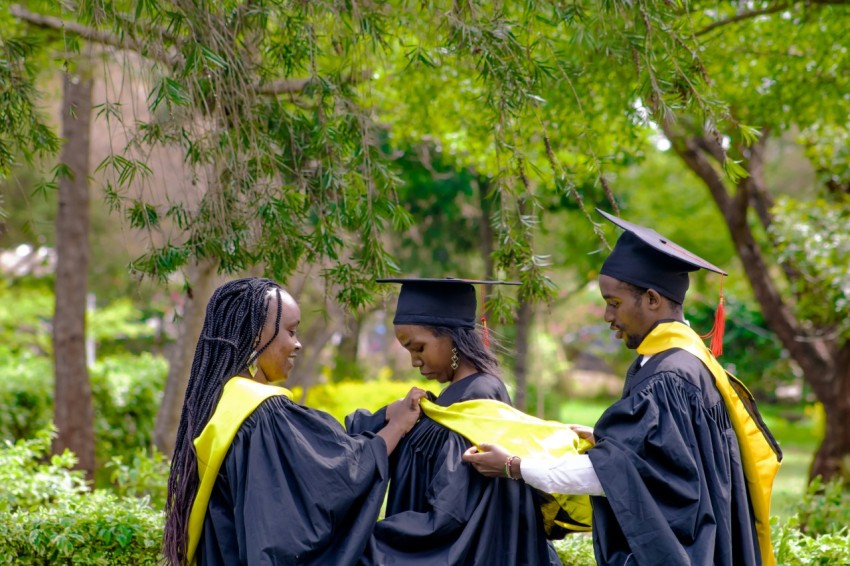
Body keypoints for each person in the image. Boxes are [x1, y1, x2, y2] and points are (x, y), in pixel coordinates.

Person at [463, 211, 782, 566]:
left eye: (613, 303)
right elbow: (668, 462)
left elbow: (614, 477)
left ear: (651, 299)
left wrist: (513, 465)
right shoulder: (682, 364)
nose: (607, 317)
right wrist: (612, 445)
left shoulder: (668, 378)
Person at [162, 277, 424, 566]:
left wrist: (382, 417)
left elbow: (314, 447)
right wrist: (397, 427)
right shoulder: (262, 413)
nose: (297, 344)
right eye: (290, 331)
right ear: (254, 335)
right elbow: (332, 474)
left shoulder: (224, 400)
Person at [346, 278, 561, 565]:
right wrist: (392, 415)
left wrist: (367, 540)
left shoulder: (477, 398)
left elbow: (449, 515)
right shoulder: (449, 399)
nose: (414, 361)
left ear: (451, 337)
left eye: (419, 348)